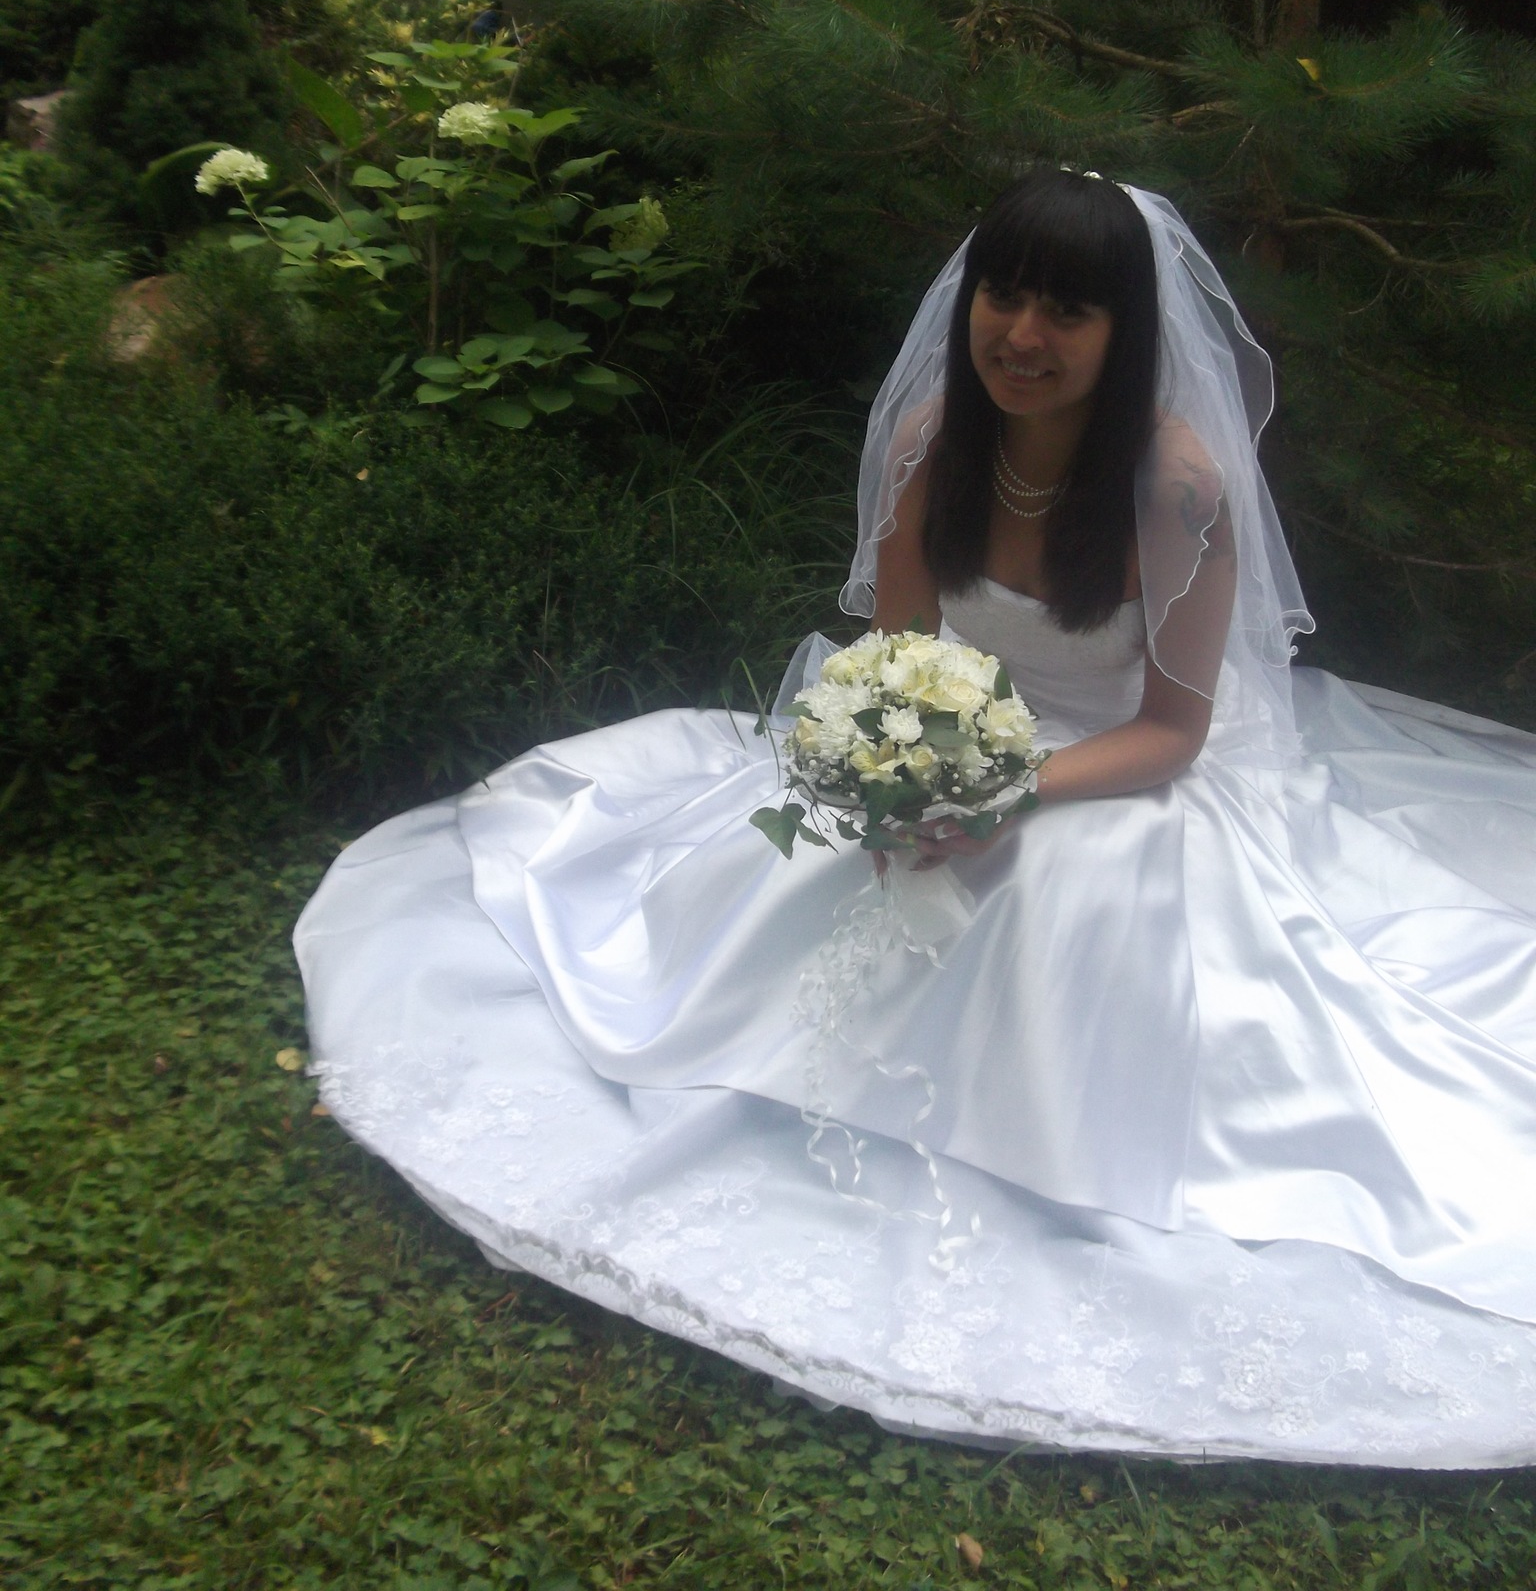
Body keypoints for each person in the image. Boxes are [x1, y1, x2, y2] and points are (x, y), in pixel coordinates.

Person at [296, 170, 1536, 1467]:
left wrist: (1005, 792)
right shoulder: (933, 442)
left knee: (1057, 897)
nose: (1024, 335)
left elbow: (1173, 732)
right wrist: (904, 769)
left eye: (1068, 312)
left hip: (1113, 769)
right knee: (798, 859)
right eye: (1005, 296)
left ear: (1126, 334)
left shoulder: (1177, 490)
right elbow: (898, 658)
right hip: (952, 731)